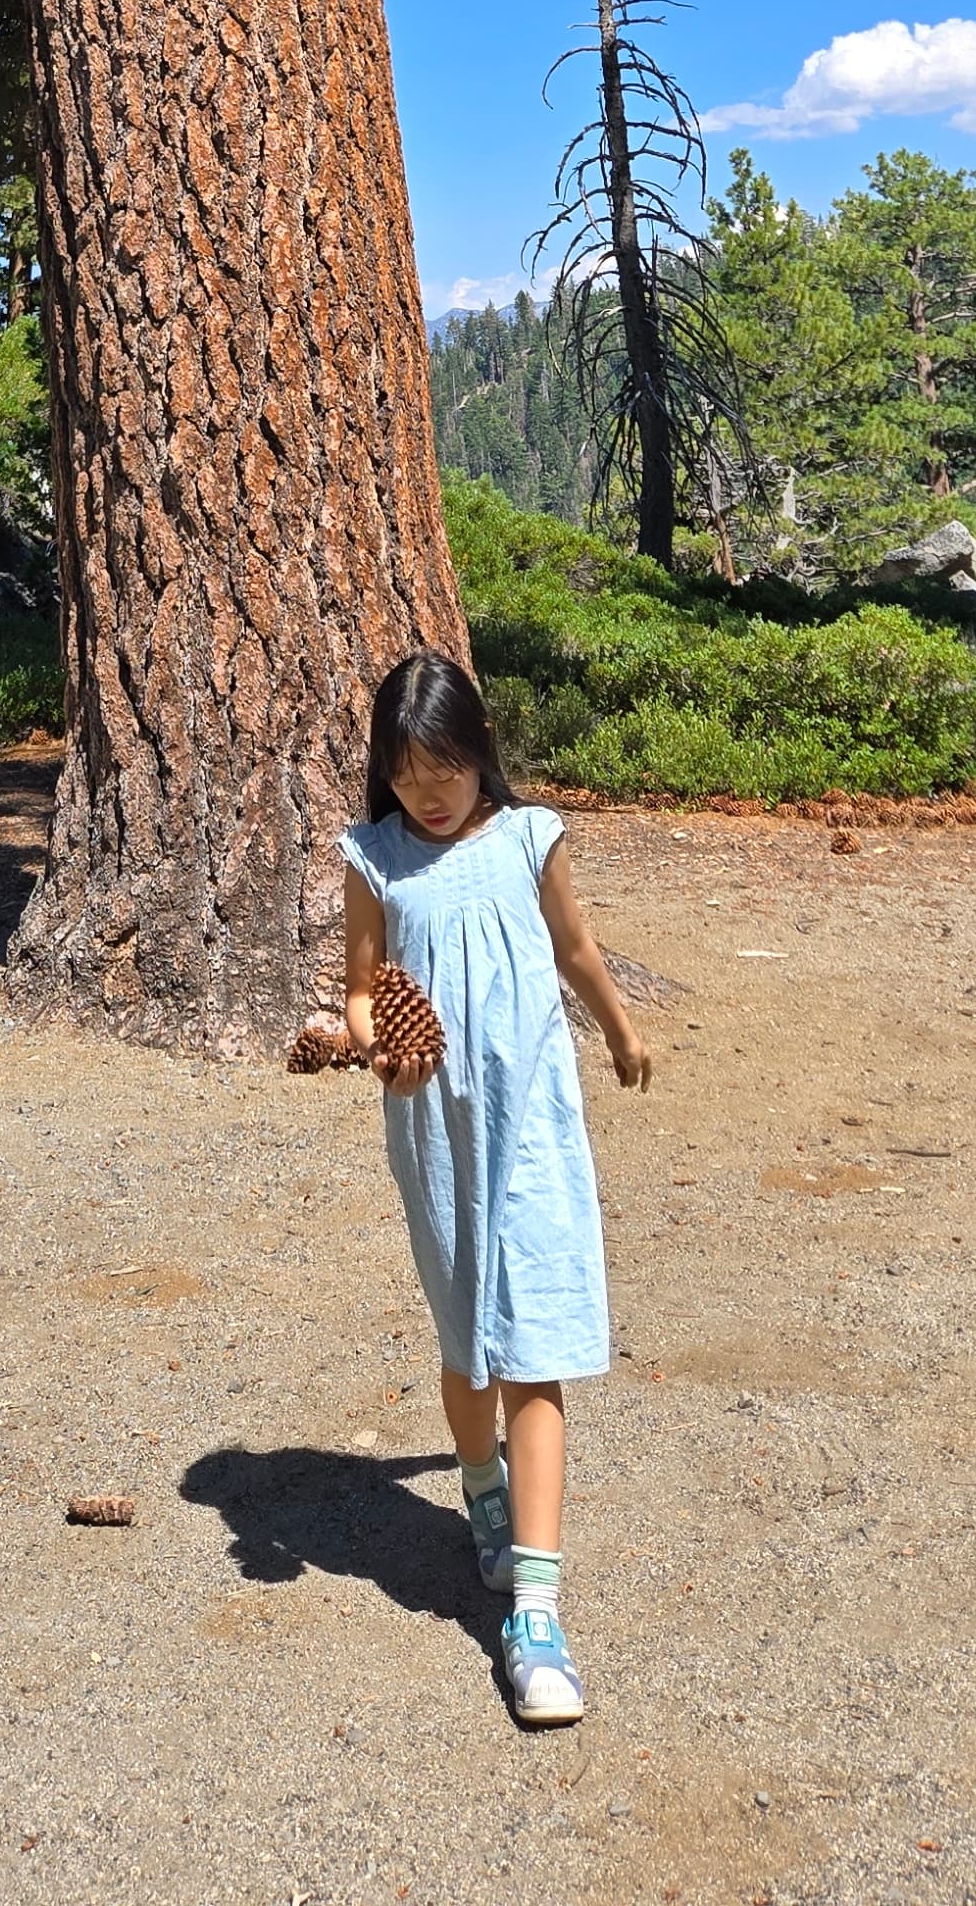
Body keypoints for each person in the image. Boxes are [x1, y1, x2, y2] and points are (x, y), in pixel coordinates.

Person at [341, 646, 651, 1726]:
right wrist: (368, 1040)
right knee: (469, 1337)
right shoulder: (374, 857)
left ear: (483, 756)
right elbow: (361, 985)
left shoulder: (527, 836)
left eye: (450, 766)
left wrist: (617, 1024)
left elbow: (573, 942)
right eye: (410, 769)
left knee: (538, 1346)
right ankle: (482, 1490)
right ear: (386, 770)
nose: (431, 790)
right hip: (433, 1128)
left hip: (533, 1126)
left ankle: (536, 1610)